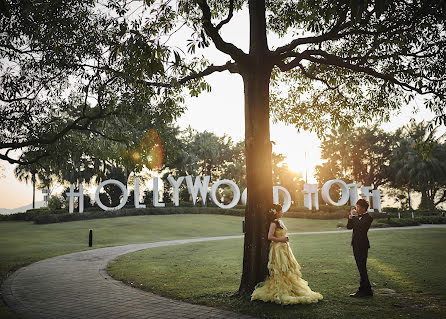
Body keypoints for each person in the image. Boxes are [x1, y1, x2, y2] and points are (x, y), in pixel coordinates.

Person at [251, 204, 323, 305]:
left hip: (285, 249)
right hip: (278, 250)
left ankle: (290, 287)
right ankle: (281, 289)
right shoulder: (273, 223)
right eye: (281, 211)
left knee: (288, 269)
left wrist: (285, 240)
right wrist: (282, 239)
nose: (283, 212)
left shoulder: (280, 222)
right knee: (280, 269)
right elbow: (270, 237)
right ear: (276, 212)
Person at [347, 198, 374, 297]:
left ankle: (365, 290)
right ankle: (366, 289)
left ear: (363, 208)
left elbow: (360, 227)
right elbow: (349, 227)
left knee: (362, 268)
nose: (356, 208)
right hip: (355, 244)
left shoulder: (368, 218)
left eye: (358, 207)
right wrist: (351, 217)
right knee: (361, 268)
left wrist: (354, 216)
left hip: (362, 245)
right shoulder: (356, 217)